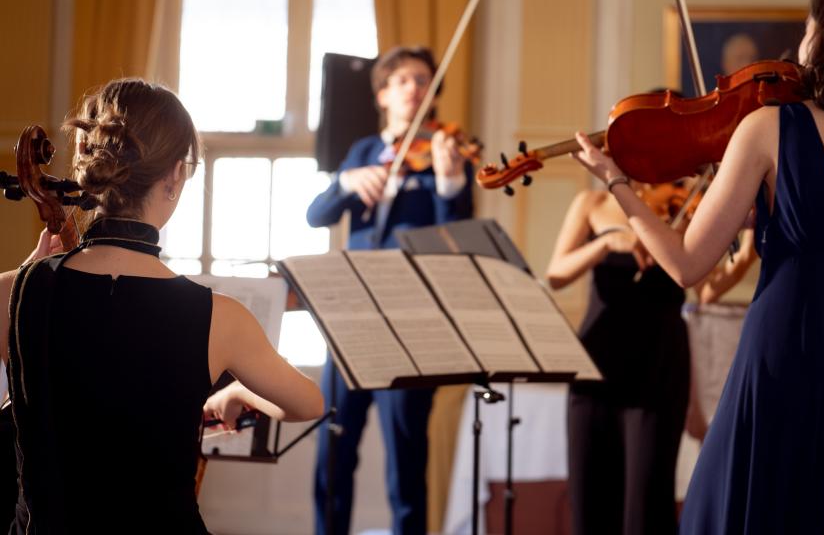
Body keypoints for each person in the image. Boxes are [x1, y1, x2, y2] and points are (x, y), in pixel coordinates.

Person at [572, 0, 824, 533]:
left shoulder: (771, 126)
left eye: (808, 28)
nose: (801, 45)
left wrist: (616, 182)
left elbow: (683, 265)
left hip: (784, 350)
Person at [0, 78, 324, 534]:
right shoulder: (220, 317)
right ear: (174, 176)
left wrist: (27, 278)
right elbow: (307, 402)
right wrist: (236, 394)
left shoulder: (18, 292)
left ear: (84, 165)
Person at [306, 46, 474, 535]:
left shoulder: (443, 151)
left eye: (423, 80)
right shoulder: (362, 150)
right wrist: (345, 180)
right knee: (333, 453)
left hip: (410, 324)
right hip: (351, 320)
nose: (414, 88)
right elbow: (317, 215)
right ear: (383, 94)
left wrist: (448, 183)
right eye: (403, 80)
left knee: (406, 461)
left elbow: (453, 243)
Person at [546, 182, 689, 535]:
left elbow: (708, 284)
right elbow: (556, 274)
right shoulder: (591, 201)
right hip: (595, 365)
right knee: (589, 503)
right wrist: (605, 243)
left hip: (658, 367)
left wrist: (746, 251)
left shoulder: (684, 205)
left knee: (647, 507)